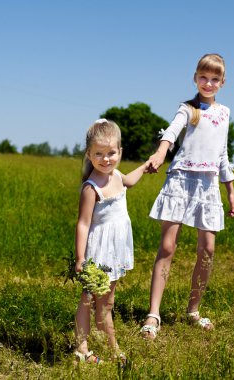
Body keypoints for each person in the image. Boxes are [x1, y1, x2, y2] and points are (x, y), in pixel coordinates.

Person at [141, 53, 234, 339]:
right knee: (168, 247)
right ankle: (153, 314)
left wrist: (230, 189)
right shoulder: (188, 108)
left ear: (222, 82)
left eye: (214, 79)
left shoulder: (225, 113)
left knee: (207, 249)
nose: (208, 83)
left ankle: (193, 310)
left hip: (208, 185)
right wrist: (160, 152)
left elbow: (222, 154)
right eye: (203, 77)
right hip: (181, 179)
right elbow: (172, 132)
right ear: (195, 78)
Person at [74, 118, 149, 363]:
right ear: (89, 154)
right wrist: (80, 259)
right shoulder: (91, 188)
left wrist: (146, 166)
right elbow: (83, 224)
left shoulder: (116, 175)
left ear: (120, 152)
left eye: (111, 153)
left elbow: (130, 181)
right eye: (99, 154)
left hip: (115, 251)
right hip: (98, 252)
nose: (106, 159)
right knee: (88, 299)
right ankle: (85, 349)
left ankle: (108, 345)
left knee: (107, 302)